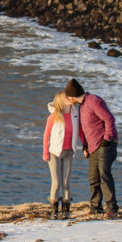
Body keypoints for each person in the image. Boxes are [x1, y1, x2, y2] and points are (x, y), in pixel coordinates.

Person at [65, 78, 119, 218]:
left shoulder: (94, 101)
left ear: (73, 94)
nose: (68, 99)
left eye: (69, 96)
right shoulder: (81, 106)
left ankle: (111, 209)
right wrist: (85, 145)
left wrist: (107, 139)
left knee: (104, 175)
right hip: (93, 147)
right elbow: (85, 128)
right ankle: (96, 207)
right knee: (93, 178)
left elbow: (109, 119)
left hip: (105, 145)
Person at [42, 91, 83, 219]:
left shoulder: (75, 114)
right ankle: (54, 211)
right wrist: (45, 153)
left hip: (69, 152)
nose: (70, 98)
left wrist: (85, 145)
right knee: (57, 183)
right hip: (54, 152)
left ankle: (66, 211)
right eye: (66, 97)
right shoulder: (54, 116)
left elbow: (80, 131)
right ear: (60, 100)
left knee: (66, 183)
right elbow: (46, 135)